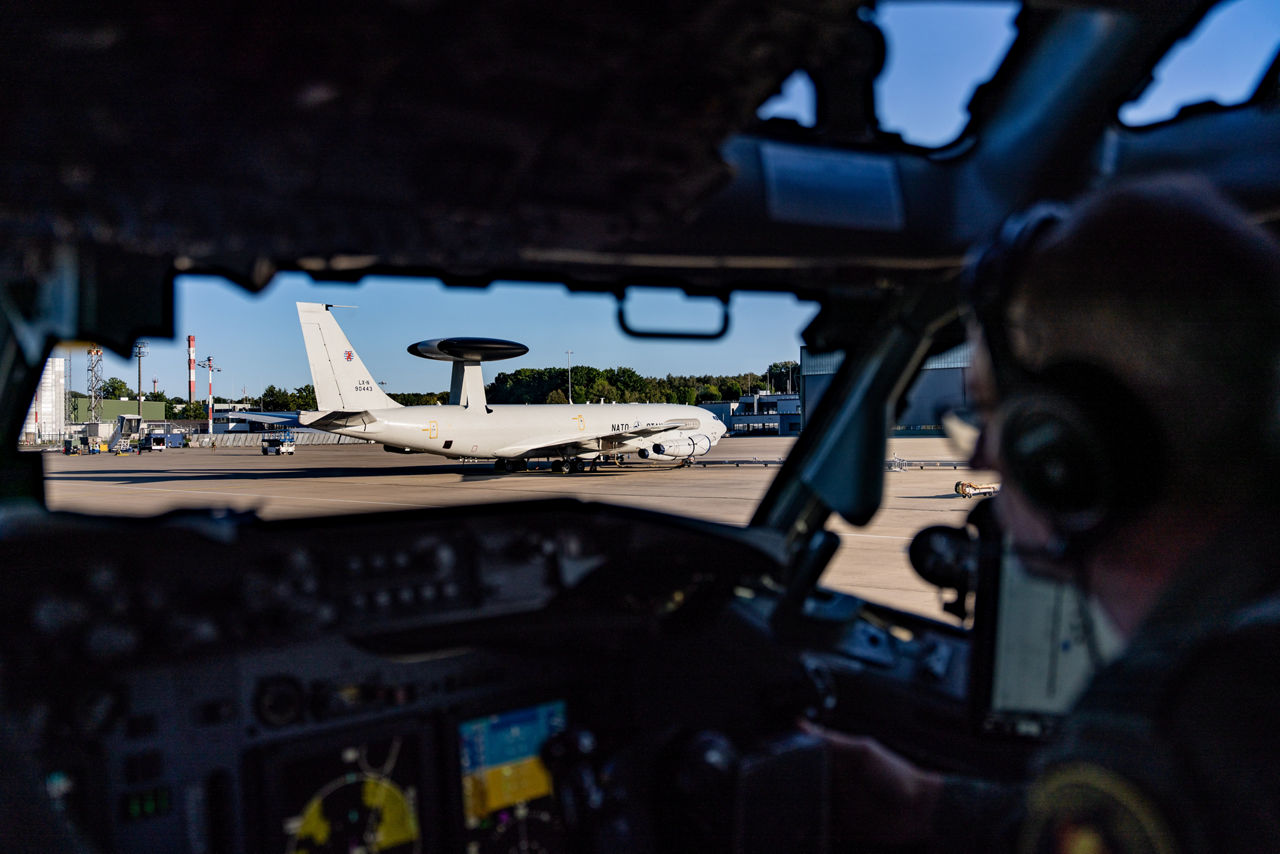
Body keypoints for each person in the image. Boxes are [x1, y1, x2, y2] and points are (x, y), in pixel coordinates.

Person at [805, 175, 1280, 853]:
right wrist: (929, 808)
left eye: (991, 411)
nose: (982, 465)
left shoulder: (1178, 725)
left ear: (1062, 444)